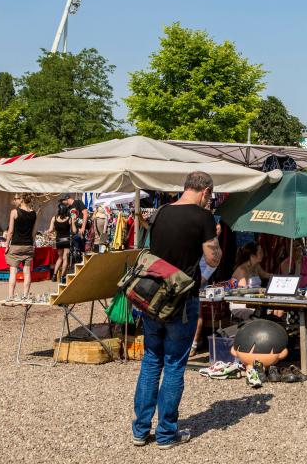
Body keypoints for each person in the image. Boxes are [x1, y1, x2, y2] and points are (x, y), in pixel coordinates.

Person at [132, 171, 221, 450]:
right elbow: (212, 257)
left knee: (150, 361)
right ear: (205, 191)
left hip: (153, 297)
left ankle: (140, 430)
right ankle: (166, 434)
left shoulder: (161, 212)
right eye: (211, 196)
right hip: (183, 299)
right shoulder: (203, 217)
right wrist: (213, 237)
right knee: (173, 365)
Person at [4, 194, 37, 302]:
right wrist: (33, 244)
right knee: (27, 272)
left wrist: (7, 244)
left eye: (16, 198)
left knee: (13, 272)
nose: (15, 200)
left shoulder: (14, 212)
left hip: (16, 245)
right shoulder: (34, 213)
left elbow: (10, 231)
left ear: (22, 199)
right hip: (28, 245)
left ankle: (10, 297)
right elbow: (34, 232)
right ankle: (25, 296)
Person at [47, 204, 74, 282]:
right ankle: (62, 277)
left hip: (58, 240)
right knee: (65, 258)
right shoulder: (69, 219)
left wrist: (48, 231)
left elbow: (51, 229)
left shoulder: (54, 218)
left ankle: (54, 276)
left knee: (60, 258)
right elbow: (74, 230)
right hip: (66, 240)